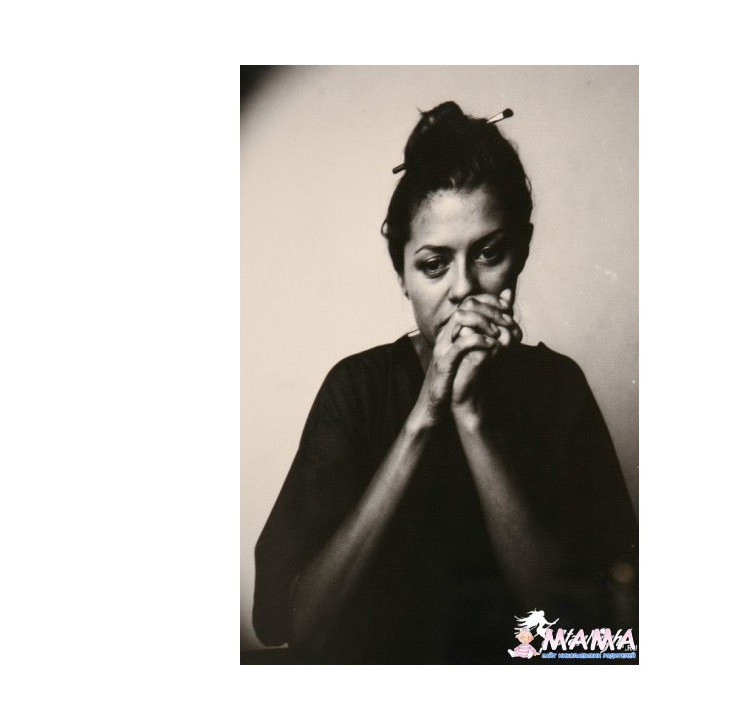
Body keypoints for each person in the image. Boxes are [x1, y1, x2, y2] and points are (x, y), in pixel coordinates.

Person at [252, 101, 637, 664]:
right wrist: (424, 417)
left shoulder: (557, 388)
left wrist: (470, 417)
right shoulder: (357, 389)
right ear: (402, 275)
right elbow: (295, 627)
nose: (462, 288)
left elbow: (579, 638)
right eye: (434, 264)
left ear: (522, 251)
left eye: (489, 253)